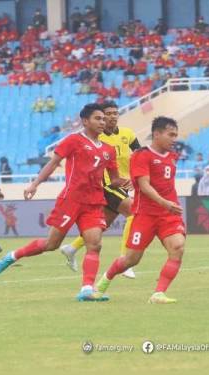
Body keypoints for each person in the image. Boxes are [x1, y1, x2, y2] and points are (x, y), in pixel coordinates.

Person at [0, 104, 129, 302]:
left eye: (103, 119)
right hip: (71, 200)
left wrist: (127, 181)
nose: (103, 122)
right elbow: (53, 163)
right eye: (98, 118)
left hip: (94, 202)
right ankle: (12, 256)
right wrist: (35, 184)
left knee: (95, 244)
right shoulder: (73, 140)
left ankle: (87, 289)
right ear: (85, 121)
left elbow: (114, 179)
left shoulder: (108, 150)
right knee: (51, 244)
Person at [94, 117, 186, 304]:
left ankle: (158, 293)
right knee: (130, 260)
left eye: (176, 135)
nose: (174, 139)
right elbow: (144, 186)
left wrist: (168, 206)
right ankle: (102, 284)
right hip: (145, 215)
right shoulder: (141, 156)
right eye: (171, 134)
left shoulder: (171, 156)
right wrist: (164, 202)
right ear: (157, 134)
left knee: (177, 247)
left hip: (168, 215)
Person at [60, 101, 141, 278]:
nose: (112, 116)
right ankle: (125, 260)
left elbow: (141, 154)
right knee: (134, 212)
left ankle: (71, 248)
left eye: (115, 113)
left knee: (102, 225)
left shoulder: (128, 134)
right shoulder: (97, 137)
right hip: (105, 185)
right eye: (107, 114)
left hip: (122, 185)